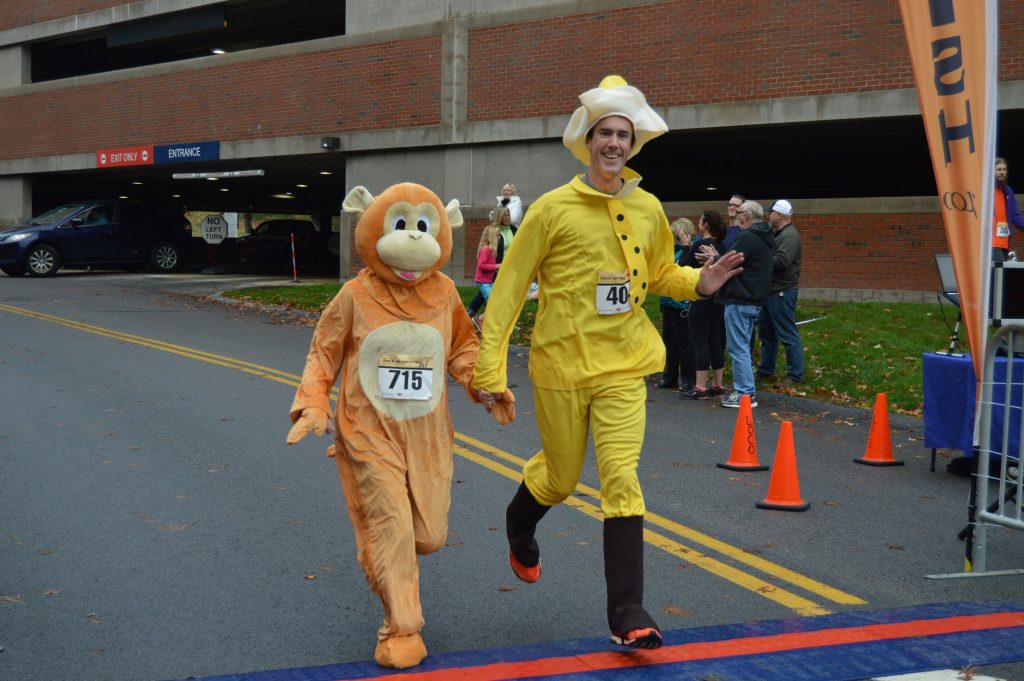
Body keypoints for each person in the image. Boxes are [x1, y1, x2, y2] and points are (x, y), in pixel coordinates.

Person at [470, 75, 743, 650]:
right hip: (561, 367)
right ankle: (520, 524)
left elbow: (662, 274)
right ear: (587, 141)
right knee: (562, 478)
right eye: (605, 134)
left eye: (623, 134)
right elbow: (511, 289)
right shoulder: (549, 209)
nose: (614, 143)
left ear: (632, 143)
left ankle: (629, 612)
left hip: (624, 365)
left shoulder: (646, 207)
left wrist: (702, 280)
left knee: (622, 480)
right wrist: (490, 370)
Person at [716, 200, 774, 408]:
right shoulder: (765, 238)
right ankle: (746, 391)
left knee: (738, 347)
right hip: (754, 300)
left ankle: (745, 394)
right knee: (743, 347)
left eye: (739, 212)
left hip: (740, 299)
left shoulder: (747, 237)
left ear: (747, 216)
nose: (736, 215)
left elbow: (728, 261)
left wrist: (713, 256)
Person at [680, 210, 728, 400]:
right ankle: (717, 385)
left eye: (700, 220)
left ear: (705, 224)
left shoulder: (700, 245)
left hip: (700, 297)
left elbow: (683, 266)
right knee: (715, 340)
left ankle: (700, 387)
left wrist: (686, 247)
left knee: (699, 342)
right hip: (718, 300)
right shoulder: (720, 247)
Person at [756, 200, 804, 385]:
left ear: (781, 215)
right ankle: (766, 370)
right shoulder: (779, 234)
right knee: (767, 334)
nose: (769, 215)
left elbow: (782, 261)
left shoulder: (789, 235)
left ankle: (795, 375)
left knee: (787, 333)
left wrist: (760, 258)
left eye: (772, 213)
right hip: (771, 291)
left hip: (782, 292)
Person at [656, 217, 697, 390]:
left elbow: (682, 268)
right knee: (669, 342)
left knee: (684, 343)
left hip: (682, 304)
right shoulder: (672, 250)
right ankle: (669, 377)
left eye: (675, 235)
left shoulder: (692, 250)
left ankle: (689, 379)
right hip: (668, 301)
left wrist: (686, 246)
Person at [467, 206, 515, 320]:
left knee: (501, 295)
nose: (507, 218)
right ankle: (470, 315)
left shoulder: (513, 229)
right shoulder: (493, 230)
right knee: (487, 296)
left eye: (508, 215)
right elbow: (484, 249)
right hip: (495, 268)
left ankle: (502, 321)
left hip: (508, 267)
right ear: (499, 216)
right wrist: (496, 266)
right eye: (505, 215)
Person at [470, 222, 502, 329]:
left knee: (496, 301)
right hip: (483, 282)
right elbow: (481, 266)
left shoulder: (492, 250)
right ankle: (478, 319)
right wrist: (496, 266)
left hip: (487, 281)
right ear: (493, 237)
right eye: (498, 235)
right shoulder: (486, 250)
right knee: (494, 303)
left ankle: (483, 320)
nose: (499, 237)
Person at [993, 158, 1024, 262]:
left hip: (1005, 243)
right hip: (991, 243)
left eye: (1004, 169)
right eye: (998, 169)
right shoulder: (985, 190)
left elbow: (1016, 216)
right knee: (998, 274)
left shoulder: (1007, 191)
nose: (1002, 172)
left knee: (1001, 276)